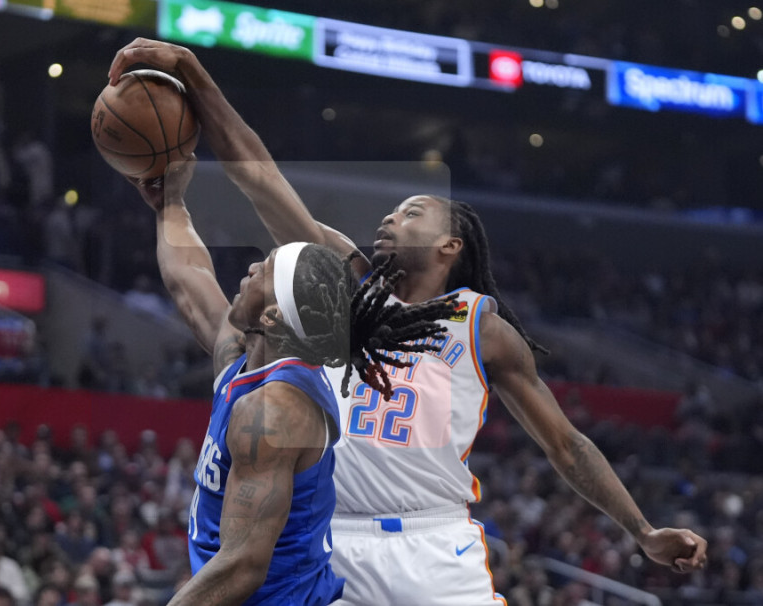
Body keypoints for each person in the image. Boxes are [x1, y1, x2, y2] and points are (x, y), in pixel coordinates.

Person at [108, 39, 709, 605]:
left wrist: (641, 529)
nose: (389, 219)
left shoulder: (480, 328)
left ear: (451, 246)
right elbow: (258, 178)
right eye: (392, 212)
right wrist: (195, 76)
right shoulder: (341, 289)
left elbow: (566, 445)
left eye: (411, 211)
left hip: (435, 543)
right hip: (334, 546)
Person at [122, 150, 454, 606]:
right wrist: (170, 205)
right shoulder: (244, 360)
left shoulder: (277, 410)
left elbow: (243, 565)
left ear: (274, 316)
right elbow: (189, 280)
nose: (251, 268)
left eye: (265, 269)